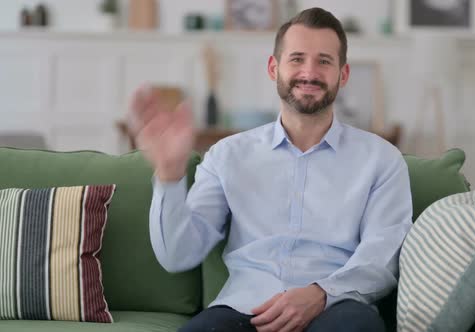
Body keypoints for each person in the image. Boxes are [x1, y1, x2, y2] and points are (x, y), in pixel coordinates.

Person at [128, 7, 412, 332]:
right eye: (296, 59)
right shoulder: (227, 155)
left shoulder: (382, 160)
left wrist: (321, 293)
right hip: (242, 311)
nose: (309, 72)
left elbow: (381, 259)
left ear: (342, 74)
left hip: (337, 310)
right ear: (273, 68)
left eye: (324, 61)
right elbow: (177, 255)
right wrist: (169, 174)